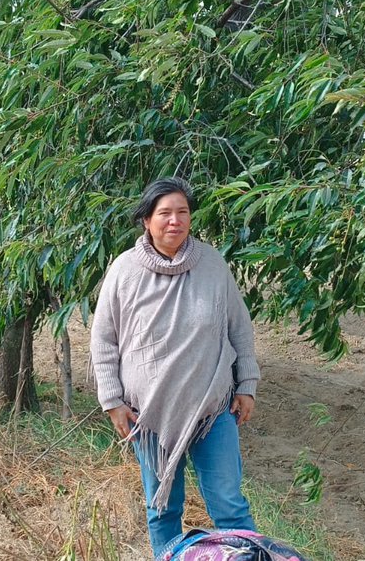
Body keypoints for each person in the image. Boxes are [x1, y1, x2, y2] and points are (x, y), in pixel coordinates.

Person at [90, 177, 260, 558]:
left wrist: (247, 384)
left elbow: (239, 328)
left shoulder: (213, 265)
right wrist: (112, 401)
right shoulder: (125, 271)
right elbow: (103, 339)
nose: (175, 221)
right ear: (146, 220)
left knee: (229, 506)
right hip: (149, 417)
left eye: (182, 212)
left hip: (212, 410)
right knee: (162, 510)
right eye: (164, 213)